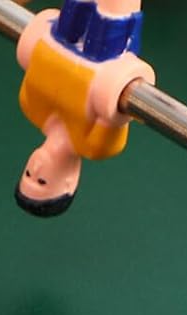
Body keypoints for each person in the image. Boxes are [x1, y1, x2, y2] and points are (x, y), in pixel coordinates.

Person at [13, 0, 153, 217]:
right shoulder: (94, 145)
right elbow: (111, 104)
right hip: (104, 55)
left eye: (28, 173)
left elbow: (31, 53)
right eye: (41, 181)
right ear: (69, 182)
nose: (36, 167)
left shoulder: (30, 107)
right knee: (112, 13)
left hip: (60, 35)